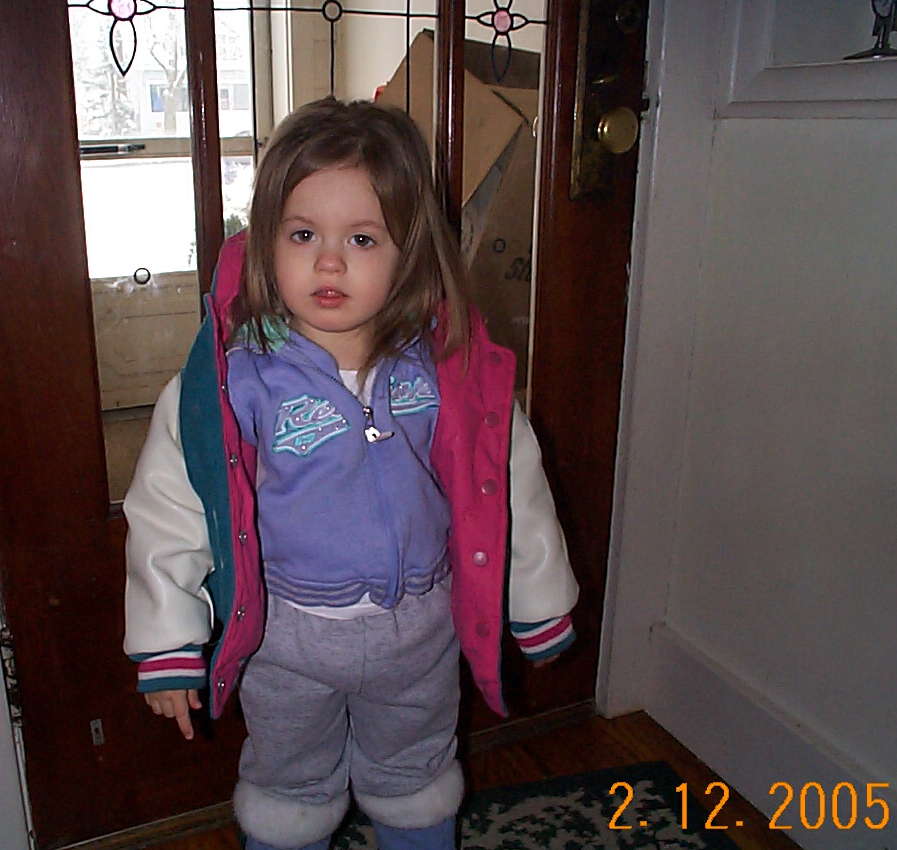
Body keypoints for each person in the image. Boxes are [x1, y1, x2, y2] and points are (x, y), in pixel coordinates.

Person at [123, 97, 579, 850]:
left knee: (416, 777)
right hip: (288, 641)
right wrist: (169, 638)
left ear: (410, 254)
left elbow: (505, 484)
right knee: (287, 787)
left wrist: (537, 600)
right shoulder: (235, 381)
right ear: (265, 243)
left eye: (362, 238)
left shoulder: (446, 370)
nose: (328, 261)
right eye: (303, 234)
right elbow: (173, 506)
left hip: (420, 634)